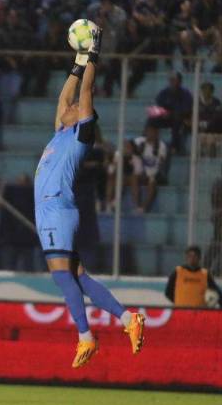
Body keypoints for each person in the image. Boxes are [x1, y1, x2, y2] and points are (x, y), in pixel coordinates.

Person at [34, 27, 145, 368]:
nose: (68, 108)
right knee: (78, 275)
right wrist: (78, 62)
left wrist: (92, 57)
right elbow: (63, 99)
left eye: (75, 108)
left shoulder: (80, 134)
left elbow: (84, 93)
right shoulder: (62, 131)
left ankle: (85, 337)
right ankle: (128, 319)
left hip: (56, 207)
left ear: (83, 117)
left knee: (61, 276)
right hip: (50, 210)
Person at [133, 124, 168, 213]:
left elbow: (161, 164)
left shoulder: (161, 146)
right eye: (148, 131)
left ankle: (143, 208)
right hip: (140, 172)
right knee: (134, 178)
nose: (150, 134)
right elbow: (133, 156)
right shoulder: (139, 141)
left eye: (153, 132)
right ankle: (137, 205)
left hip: (153, 173)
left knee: (152, 182)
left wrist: (150, 173)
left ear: (157, 133)